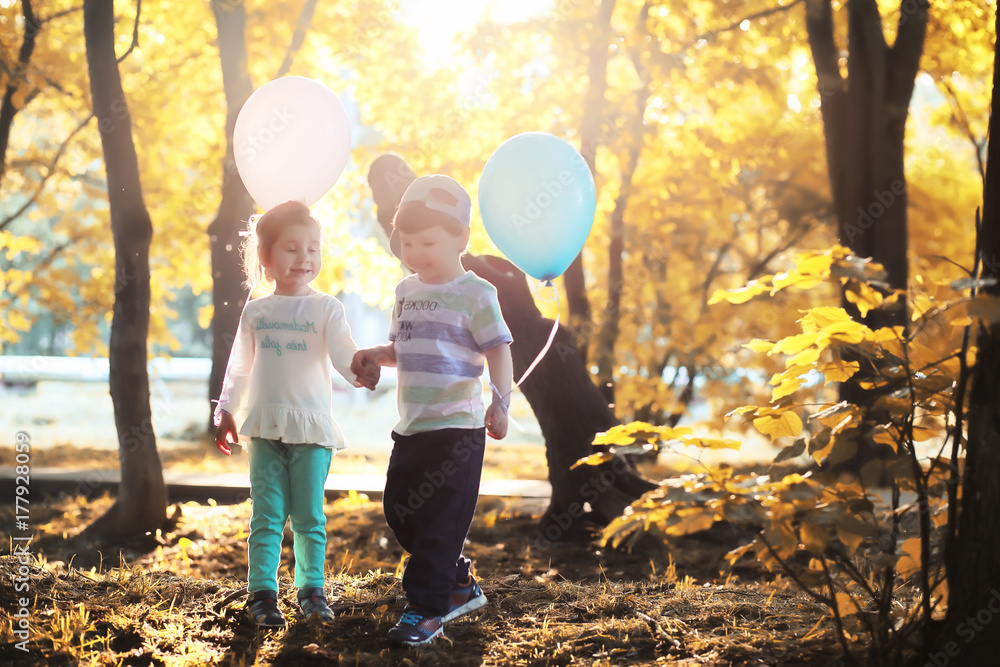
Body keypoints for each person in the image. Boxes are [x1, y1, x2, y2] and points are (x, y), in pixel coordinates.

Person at [352, 174, 513, 647]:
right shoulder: (405, 291)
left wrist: (501, 403)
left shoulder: (477, 293)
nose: (415, 252)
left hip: (457, 430)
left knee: (441, 523)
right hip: (412, 427)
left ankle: (426, 611)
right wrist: (375, 356)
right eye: (407, 242)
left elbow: (499, 349)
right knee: (400, 511)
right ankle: (458, 581)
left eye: (427, 242)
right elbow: (405, 348)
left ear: (461, 238)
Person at [214, 200, 375, 629]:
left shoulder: (327, 309)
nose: (304, 257)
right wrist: (226, 409)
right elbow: (240, 368)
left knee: (308, 517)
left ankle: (312, 591)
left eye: (313, 248)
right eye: (291, 248)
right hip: (264, 428)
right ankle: (262, 594)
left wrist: (360, 369)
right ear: (265, 257)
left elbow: (343, 353)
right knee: (266, 516)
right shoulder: (257, 312)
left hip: (311, 432)